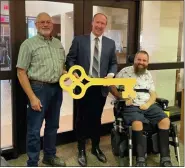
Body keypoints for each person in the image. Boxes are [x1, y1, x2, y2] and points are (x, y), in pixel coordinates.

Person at [66, 13, 117, 166]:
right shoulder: (79, 40)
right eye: (97, 22)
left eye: (103, 23)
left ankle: (95, 147)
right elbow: (70, 59)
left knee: (97, 118)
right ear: (92, 23)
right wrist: (73, 71)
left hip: (100, 87)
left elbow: (113, 63)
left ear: (105, 26)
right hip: (82, 86)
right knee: (81, 118)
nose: (100, 26)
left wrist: (111, 74)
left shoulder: (110, 43)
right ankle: (81, 148)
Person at [16, 12, 66, 167]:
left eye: (48, 22)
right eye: (42, 22)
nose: (45, 24)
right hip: (38, 89)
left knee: (53, 126)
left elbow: (61, 67)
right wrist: (32, 97)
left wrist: (66, 74)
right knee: (34, 129)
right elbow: (21, 72)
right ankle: (32, 162)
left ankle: (49, 156)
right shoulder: (28, 44)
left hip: (57, 89)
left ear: (52, 24)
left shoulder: (58, 44)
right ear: (36, 25)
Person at [110, 50, 172, 167]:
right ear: (134, 60)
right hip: (131, 105)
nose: (141, 62)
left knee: (165, 121)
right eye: (139, 59)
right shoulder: (125, 71)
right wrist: (121, 96)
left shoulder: (148, 74)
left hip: (148, 104)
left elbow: (153, 94)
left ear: (147, 63)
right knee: (137, 123)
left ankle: (165, 158)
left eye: (144, 60)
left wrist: (148, 104)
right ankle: (140, 159)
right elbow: (112, 85)